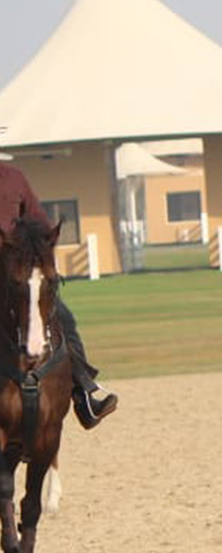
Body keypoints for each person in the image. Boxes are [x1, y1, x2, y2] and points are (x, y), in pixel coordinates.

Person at [0, 161, 118, 427]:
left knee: (63, 318)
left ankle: (84, 395)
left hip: (17, 279)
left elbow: (40, 223)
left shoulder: (14, 178)